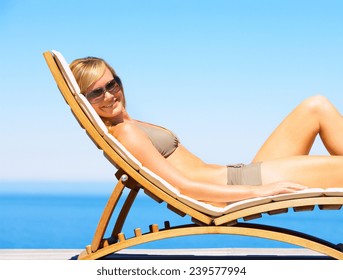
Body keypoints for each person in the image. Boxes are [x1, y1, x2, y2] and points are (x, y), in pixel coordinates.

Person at [70, 56, 343, 206]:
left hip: (238, 173)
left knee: (315, 106)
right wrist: (258, 192)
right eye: (96, 92)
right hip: (242, 183)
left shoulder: (129, 125)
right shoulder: (126, 134)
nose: (109, 95)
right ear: (84, 100)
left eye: (112, 83)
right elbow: (182, 187)